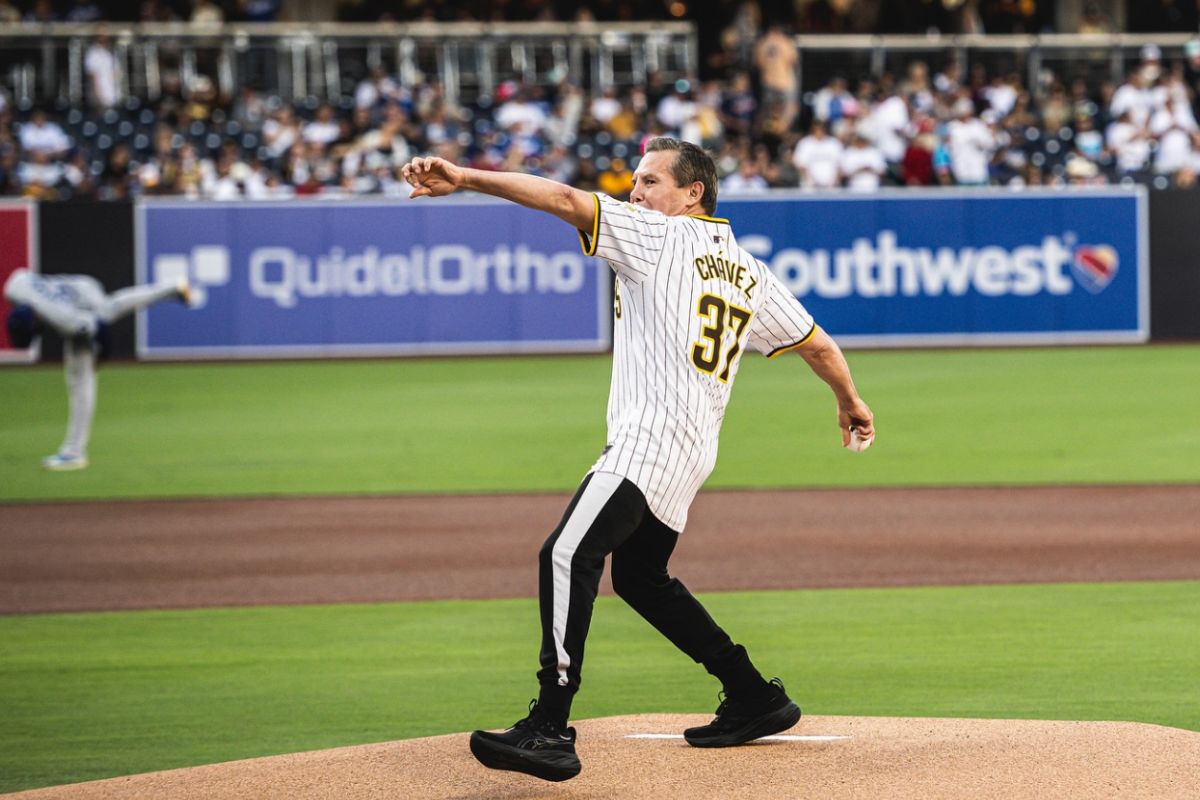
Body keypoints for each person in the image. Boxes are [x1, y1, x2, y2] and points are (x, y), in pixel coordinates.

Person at [401, 137, 875, 782]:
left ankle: (549, 726)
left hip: (647, 441)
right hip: (694, 447)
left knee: (567, 553)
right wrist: (849, 401)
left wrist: (464, 177)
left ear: (692, 194)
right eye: (637, 181)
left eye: (651, 181)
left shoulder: (658, 236)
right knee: (642, 578)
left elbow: (564, 198)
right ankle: (753, 694)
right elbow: (816, 344)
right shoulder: (747, 270)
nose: (637, 191)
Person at [3, 269, 193, 470]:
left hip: (84, 303)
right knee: (110, 306)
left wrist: (101, 357)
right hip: (78, 284)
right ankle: (172, 287)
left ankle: (74, 453)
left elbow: (101, 330)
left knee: (81, 374)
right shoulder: (14, 285)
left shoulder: (65, 320)